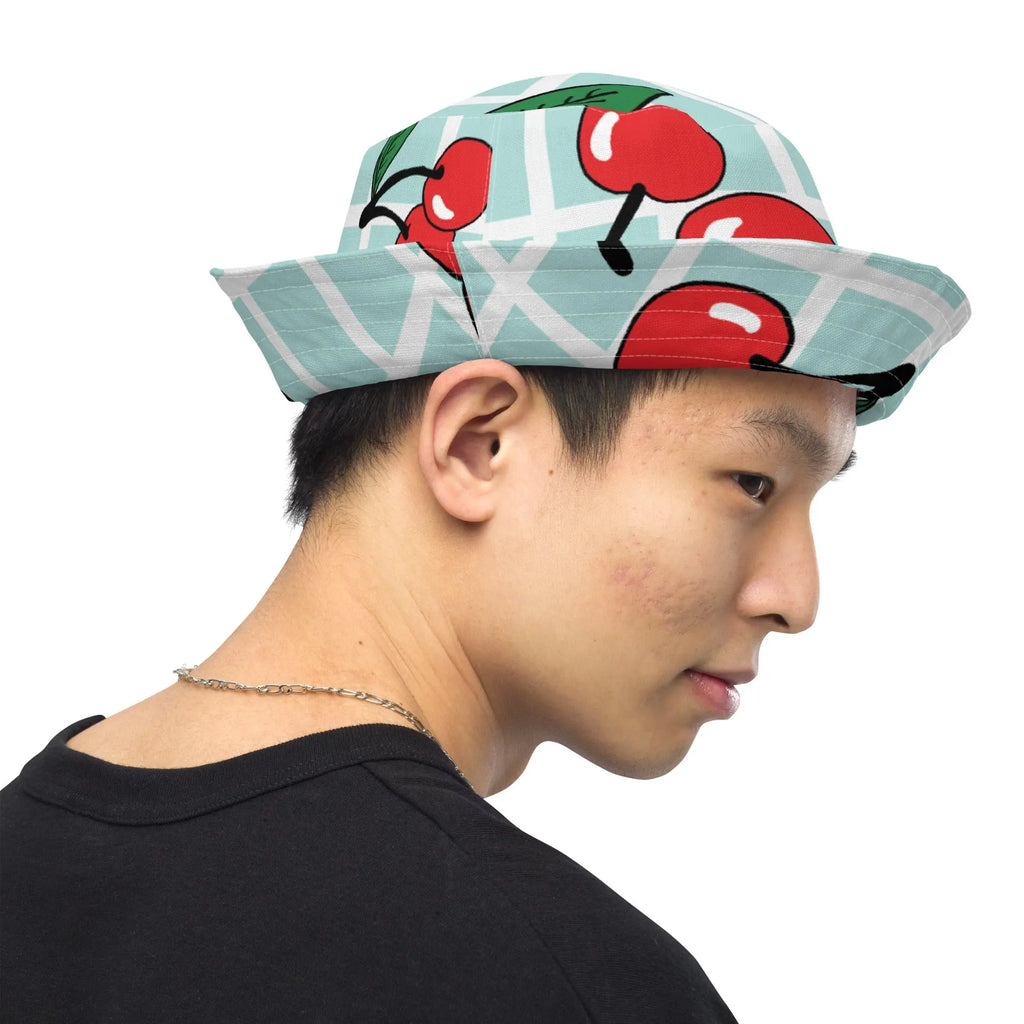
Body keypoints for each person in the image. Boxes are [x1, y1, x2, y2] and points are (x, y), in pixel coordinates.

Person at [0, 73, 969, 1022]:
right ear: (478, 443)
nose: (797, 597)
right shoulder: (564, 980)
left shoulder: (26, 848)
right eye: (753, 483)